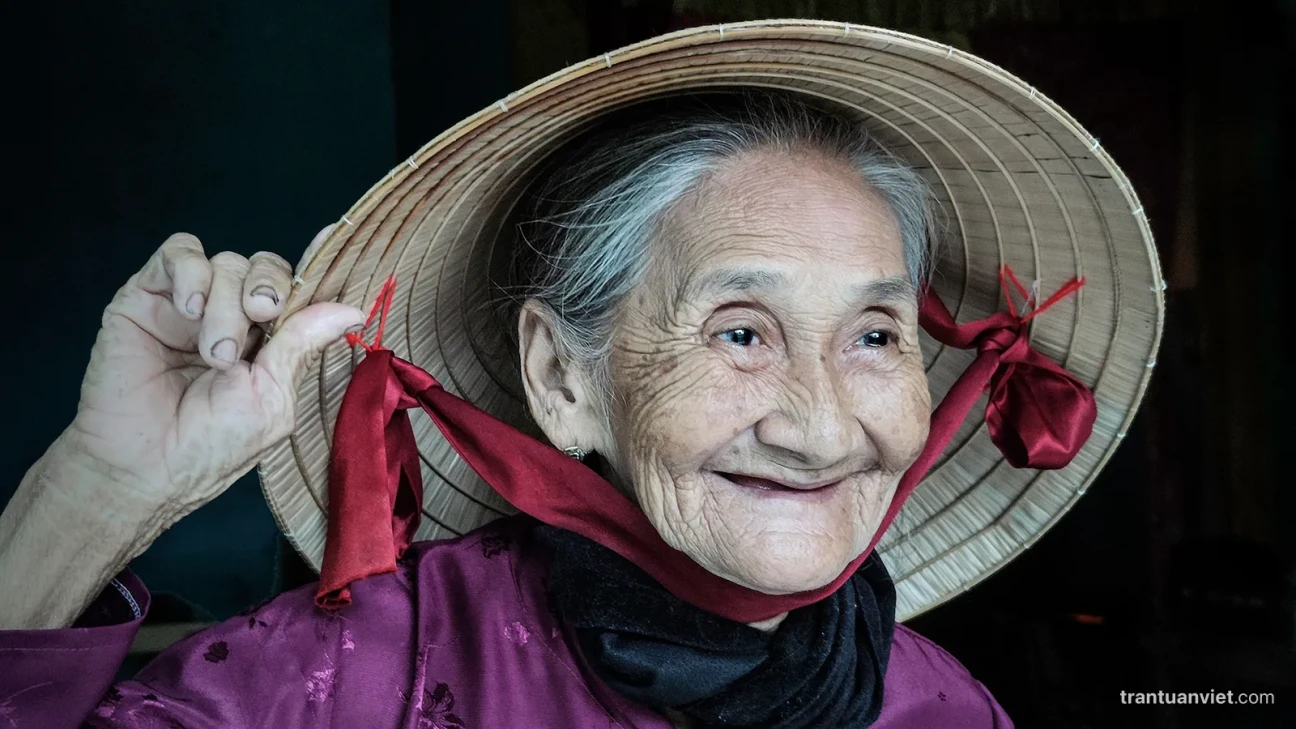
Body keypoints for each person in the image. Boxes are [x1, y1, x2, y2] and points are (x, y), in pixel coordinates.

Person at [0, 21, 1162, 729]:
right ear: (563, 381)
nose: (821, 427)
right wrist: (102, 485)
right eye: (741, 332)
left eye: (873, 337)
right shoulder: (363, 676)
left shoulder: (946, 709)